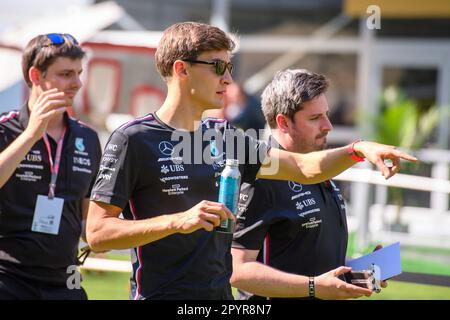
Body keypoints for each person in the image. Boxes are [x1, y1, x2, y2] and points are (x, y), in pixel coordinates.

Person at [86, 22, 416, 300]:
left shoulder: (222, 136)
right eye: (217, 67)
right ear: (181, 69)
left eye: (230, 68)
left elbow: (303, 168)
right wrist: (178, 221)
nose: (228, 79)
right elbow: (98, 233)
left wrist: (358, 150)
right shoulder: (133, 138)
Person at [230, 69, 387, 300]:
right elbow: (238, 271)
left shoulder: (320, 168)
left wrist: (358, 274)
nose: (328, 126)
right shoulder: (263, 179)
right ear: (283, 122)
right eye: (315, 118)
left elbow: (308, 261)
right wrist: (313, 286)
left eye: (326, 114)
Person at [0, 33, 102, 299]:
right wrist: (32, 135)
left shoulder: (88, 139)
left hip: (64, 279)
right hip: (7, 278)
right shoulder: (4, 129)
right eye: (66, 74)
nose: (77, 83)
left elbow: (89, 219)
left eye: (79, 73)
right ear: (36, 76)